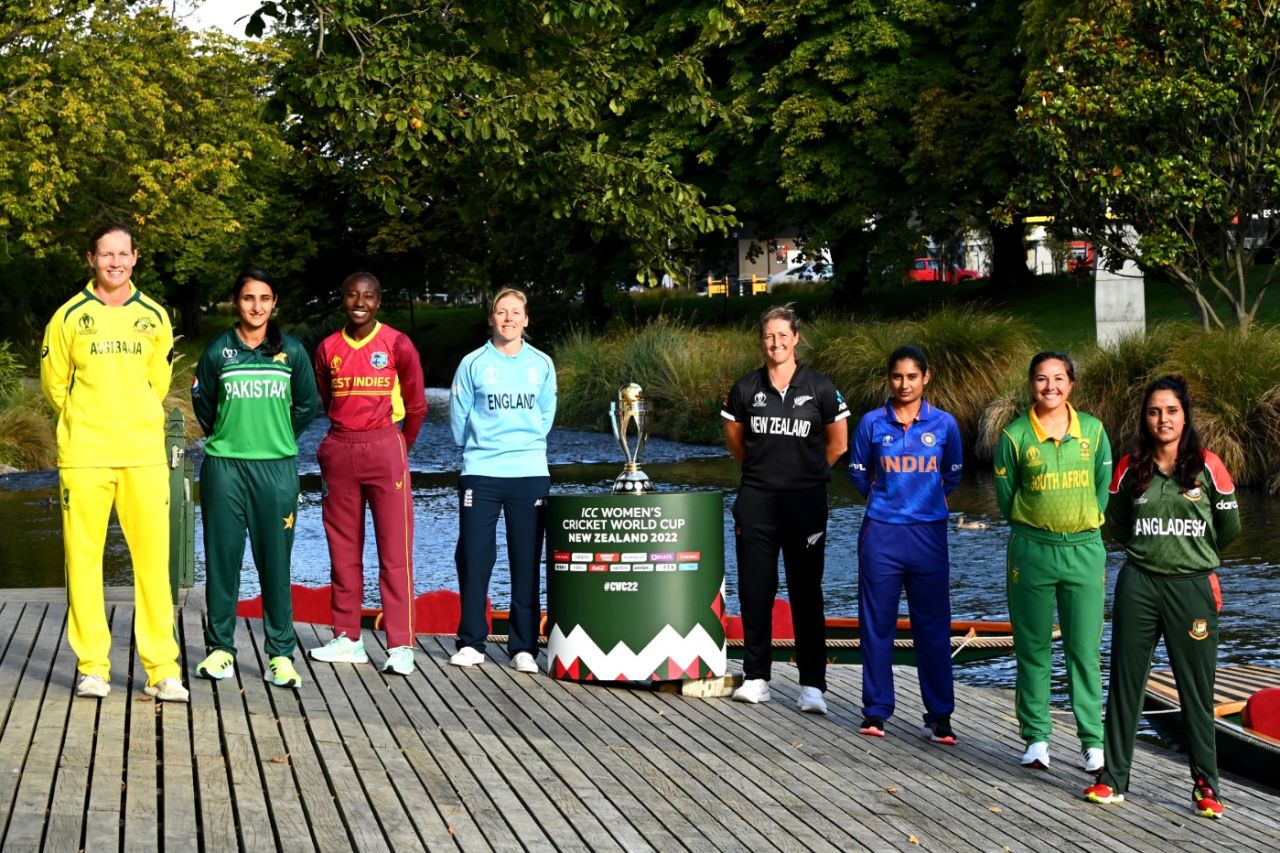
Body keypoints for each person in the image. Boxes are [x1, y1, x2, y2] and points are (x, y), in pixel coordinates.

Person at [40, 223, 188, 703]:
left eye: (123, 255)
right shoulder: (68, 317)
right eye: (107, 255)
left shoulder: (154, 316)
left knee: (152, 563)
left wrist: (134, 414)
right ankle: (92, 666)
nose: (115, 263)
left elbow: (158, 381)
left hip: (143, 454)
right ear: (91, 259)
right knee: (84, 562)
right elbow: (54, 385)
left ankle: (162, 668)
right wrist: (88, 423)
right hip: (85, 455)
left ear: (135, 258)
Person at [1084, 375, 1239, 818]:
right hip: (1140, 583)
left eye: (1171, 410)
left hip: (1192, 588)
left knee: (1196, 689)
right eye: (1154, 411)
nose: (1162, 419)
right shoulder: (1131, 466)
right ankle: (1112, 779)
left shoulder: (1210, 465)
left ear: (1185, 415)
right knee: (1125, 682)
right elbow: (1114, 524)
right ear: (1144, 417)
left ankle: (1206, 787)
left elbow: (1229, 529)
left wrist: (1196, 560)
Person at [192, 269, 318, 688]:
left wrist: (275, 438)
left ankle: (281, 655)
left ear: (274, 302)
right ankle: (220, 650)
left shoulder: (292, 352)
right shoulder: (217, 352)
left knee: (275, 564)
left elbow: (305, 407)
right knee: (223, 561)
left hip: (277, 470)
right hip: (225, 468)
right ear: (236, 301)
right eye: (248, 298)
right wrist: (231, 437)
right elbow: (204, 406)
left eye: (264, 298)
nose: (256, 306)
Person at [721, 305, 849, 713]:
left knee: (806, 592)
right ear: (762, 341)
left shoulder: (821, 387)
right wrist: (766, 475)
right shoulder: (744, 389)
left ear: (796, 338)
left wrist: (804, 474)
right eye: (768, 337)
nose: (775, 343)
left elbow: (839, 444)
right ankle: (757, 677)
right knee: (757, 591)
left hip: (805, 502)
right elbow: (736, 444)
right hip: (757, 499)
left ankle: (812, 685)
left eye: (782, 336)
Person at [994, 351, 1112, 771]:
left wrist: (1080, 524)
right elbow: (1009, 503)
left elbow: (1102, 493)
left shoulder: (1094, 433)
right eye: (1042, 379)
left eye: (1059, 379)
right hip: (1032, 549)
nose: (1050, 387)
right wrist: (1040, 527)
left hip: (1084, 549)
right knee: (1033, 646)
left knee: (1084, 649)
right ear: (1031, 384)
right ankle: (1036, 738)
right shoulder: (1014, 437)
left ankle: (1092, 741)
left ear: (1071, 384)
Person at [309, 272, 427, 675]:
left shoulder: (397, 343)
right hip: (340, 450)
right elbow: (327, 398)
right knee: (343, 550)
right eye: (352, 295)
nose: (360, 302)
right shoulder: (327, 348)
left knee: (395, 552)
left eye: (369, 297)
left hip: (385, 447)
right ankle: (348, 638)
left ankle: (400, 645)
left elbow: (416, 407)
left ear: (379, 302)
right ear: (342, 299)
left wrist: (395, 447)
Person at [849, 345, 963, 742]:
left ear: (925, 378)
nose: (904, 384)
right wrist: (888, 502)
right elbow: (860, 475)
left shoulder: (945, 425)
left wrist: (925, 503)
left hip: (928, 534)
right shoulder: (870, 423)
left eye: (912, 377)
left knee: (932, 627)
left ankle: (939, 716)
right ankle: (876, 711)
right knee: (876, 625)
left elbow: (951, 475)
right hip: (881, 532)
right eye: (897, 377)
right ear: (889, 378)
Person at [448, 288, 556, 673]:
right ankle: (472, 641)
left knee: (526, 560)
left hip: (528, 474)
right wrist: (480, 448)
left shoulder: (541, 364)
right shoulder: (473, 363)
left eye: (516, 312)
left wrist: (521, 447)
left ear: (526, 320)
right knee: (474, 557)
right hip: (481, 472)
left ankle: (523, 646)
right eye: (501, 312)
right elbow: (459, 421)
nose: (508, 318)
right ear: (491, 319)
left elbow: (545, 418)